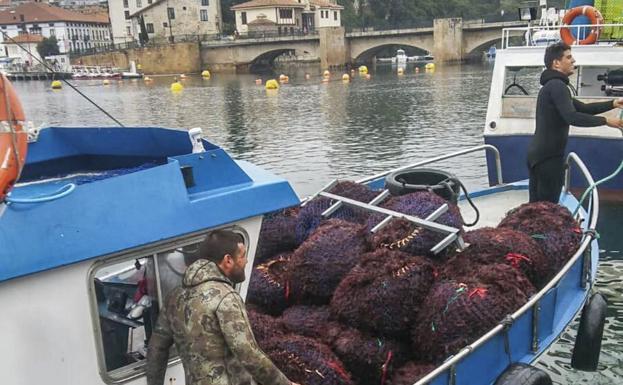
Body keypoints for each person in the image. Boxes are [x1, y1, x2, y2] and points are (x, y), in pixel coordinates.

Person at [146, 230, 298, 385]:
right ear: (228, 260)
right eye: (242, 255)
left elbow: (155, 350)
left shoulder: (174, 298)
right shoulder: (226, 297)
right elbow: (248, 354)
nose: (245, 261)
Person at [527, 42, 623, 203]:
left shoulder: (553, 86)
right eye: (569, 57)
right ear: (556, 63)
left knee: (536, 208)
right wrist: (606, 121)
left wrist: (613, 103)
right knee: (547, 208)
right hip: (548, 159)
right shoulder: (557, 86)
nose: (573, 61)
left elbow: (583, 108)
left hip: (540, 156)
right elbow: (572, 117)